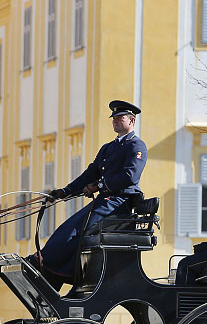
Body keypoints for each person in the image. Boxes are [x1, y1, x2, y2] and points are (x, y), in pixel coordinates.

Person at [30, 100, 148, 286]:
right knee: (66, 229)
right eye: (114, 118)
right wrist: (65, 191)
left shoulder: (136, 146)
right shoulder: (108, 148)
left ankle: (55, 271)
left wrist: (100, 186)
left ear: (132, 121)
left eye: (120, 117)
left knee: (78, 231)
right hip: (105, 202)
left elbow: (129, 176)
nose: (115, 120)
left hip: (118, 204)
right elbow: (90, 174)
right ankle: (46, 266)